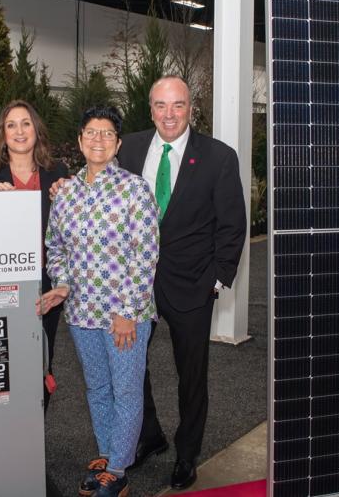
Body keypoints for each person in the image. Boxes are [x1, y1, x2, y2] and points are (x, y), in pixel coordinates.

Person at [119, 75, 247, 489]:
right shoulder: (130, 148)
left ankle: (187, 453)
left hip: (192, 285)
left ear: (191, 107)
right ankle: (148, 436)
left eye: (178, 105)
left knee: (190, 376)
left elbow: (232, 225)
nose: (169, 114)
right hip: (136, 284)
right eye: (160, 105)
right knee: (130, 366)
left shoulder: (218, 157)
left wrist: (218, 279)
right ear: (150, 108)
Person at [38, 106, 159, 497]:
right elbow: (54, 245)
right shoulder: (67, 192)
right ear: (79, 140)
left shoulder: (134, 189)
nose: (98, 140)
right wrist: (61, 283)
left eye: (107, 134)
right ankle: (108, 457)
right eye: (91, 132)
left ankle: (119, 471)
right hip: (80, 313)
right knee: (97, 389)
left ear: (118, 143)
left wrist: (127, 312)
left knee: (126, 390)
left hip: (125, 314)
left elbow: (146, 254)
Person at [0, 99, 68, 412]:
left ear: (36, 130)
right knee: (1, 357)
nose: (19, 131)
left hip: (45, 282)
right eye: (11, 125)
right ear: (2, 133)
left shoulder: (58, 173)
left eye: (26, 124)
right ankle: (1, 426)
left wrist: (69, 193)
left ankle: (34, 427)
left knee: (41, 357)